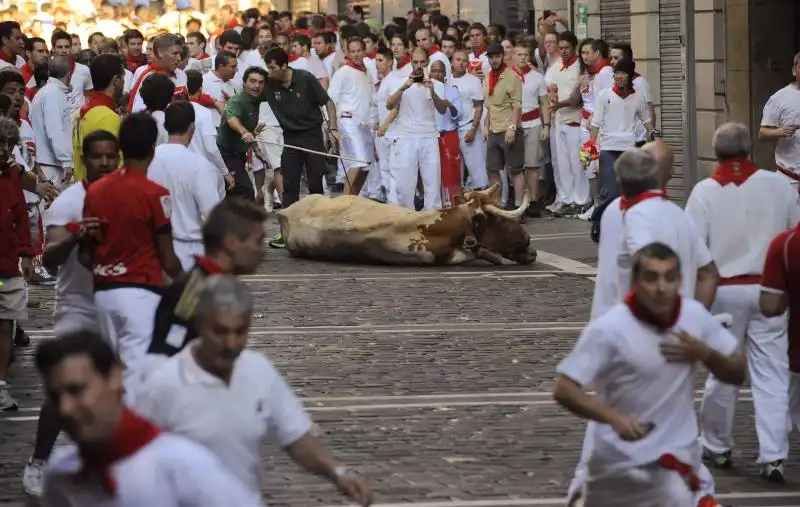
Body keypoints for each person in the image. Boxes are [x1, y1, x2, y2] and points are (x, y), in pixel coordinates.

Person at [135, 276, 373, 507]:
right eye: (220, 332)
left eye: (240, 332)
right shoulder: (163, 384)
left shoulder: (258, 369)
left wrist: (338, 472)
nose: (231, 344)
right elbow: (137, 462)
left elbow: (295, 435)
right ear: (199, 325)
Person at [555, 242, 745, 506]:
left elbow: (737, 373)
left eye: (669, 277)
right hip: (620, 465)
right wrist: (613, 418)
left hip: (675, 463)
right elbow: (564, 388)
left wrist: (705, 353)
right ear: (634, 281)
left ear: (680, 280)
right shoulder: (609, 329)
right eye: (651, 277)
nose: (661, 287)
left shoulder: (694, 317)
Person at [687, 122, 800, 481]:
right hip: (770, 290)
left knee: (723, 373)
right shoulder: (779, 185)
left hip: (722, 291)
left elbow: (694, 251)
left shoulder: (703, 192)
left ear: (717, 152)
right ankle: (773, 453)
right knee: (772, 373)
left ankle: (717, 444)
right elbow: (792, 236)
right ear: (749, 149)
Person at [36, 332, 265, 506]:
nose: (65, 409)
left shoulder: (184, 466)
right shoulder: (61, 474)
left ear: (115, 377)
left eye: (77, 390)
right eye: (55, 397)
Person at [23, 130, 120, 498]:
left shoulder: (127, 196)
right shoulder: (68, 202)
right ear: (86, 158)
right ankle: (39, 460)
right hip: (77, 307)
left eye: (112, 156)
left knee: (120, 390)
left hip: (119, 307)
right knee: (62, 387)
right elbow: (49, 258)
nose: (106, 163)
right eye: (98, 157)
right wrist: (77, 233)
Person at [80, 113, 182, 398]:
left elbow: (86, 253)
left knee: (111, 370)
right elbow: (168, 258)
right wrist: (191, 281)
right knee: (138, 377)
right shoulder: (156, 194)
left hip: (102, 292)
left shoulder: (96, 191)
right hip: (140, 292)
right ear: (152, 149)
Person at [262, 47, 337, 248]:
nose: (269, 72)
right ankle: (287, 232)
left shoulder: (306, 78)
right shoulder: (269, 84)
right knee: (289, 186)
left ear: (284, 66)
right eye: (267, 68)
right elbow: (249, 98)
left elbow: (328, 102)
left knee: (315, 184)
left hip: (312, 135)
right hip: (290, 138)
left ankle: (318, 229)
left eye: (272, 68)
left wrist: (333, 127)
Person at [148, 101, 223, 270]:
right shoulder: (200, 165)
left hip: (153, 250)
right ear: (192, 127)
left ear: (166, 126)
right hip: (189, 252)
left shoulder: (148, 160)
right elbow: (212, 213)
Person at [385, 46, 447, 210]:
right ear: (410, 62)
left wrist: (432, 92)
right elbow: (389, 104)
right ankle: (406, 219)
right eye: (415, 62)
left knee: (432, 184)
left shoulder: (436, 84)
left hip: (429, 137)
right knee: (404, 185)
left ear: (428, 62)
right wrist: (404, 87)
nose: (419, 65)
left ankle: (433, 221)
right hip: (406, 137)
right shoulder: (401, 81)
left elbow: (442, 109)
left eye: (422, 62)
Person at [0, 116, 33, 411]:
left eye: (8, 145)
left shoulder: (12, 175)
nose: (3, 150)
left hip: (7, 263)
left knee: (6, 325)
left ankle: (0, 385)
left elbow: (21, 215)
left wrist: (26, 253)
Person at [545, 31, 588, 215]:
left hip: (575, 120)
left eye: (566, 48)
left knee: (576, 163)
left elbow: (577, 99)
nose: (563, 51)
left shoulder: (580, 67)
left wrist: (558, 104)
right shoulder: (555, 66)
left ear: (574, 47)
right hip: (559, 121)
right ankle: (566, 198)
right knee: (562, 164)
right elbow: (550, 87)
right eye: (560, 48)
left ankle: (581, 199)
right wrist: (552, 98)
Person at [327, 37, 374, 196]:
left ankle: (354, 198)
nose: (356, 54)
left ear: (364, 50)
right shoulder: (343, 72)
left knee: (367, 164)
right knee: (358, 161)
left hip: (364, 124)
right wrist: (332, 127)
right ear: (347, 52)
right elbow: (330, 99)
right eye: (352, 51)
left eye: (359, 50)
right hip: (347, 121)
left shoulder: (367, 72)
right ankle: (345, 201)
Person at [216, 66, 267, 201]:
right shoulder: (237, 100)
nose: (257, 86)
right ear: (244, 82)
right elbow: (232, 119)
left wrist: (256, 150)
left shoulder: (257, 101)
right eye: (253, 81)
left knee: (233, 193)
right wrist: (243, 131)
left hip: (239, 155)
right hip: (226, 154)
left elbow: (250, 132)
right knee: (245, 191)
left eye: (261, 82)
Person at [483, 42, 524, 208]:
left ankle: (520, 206)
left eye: (496, 56)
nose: (494, 60)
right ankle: (498, 205)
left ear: (502, 56)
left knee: (515, 169)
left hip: (508, 129)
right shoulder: (488, 77)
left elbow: (517, 104)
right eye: (491, 57)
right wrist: (486, 127)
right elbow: (489, 106)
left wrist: (512, 128)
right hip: (493, 129)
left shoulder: (512, 76)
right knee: (492, 169)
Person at [72, 54, 124, 182]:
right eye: (123, 77)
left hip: (83, 188)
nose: (124, 82)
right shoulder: (108, 117)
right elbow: (114, 165)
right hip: (102, 192)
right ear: (116, 80)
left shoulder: (79, 113)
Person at [30, 56, 73, 190]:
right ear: (69, 74)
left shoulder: (49, 92)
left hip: (51, 163)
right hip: (52, 166)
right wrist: (66, 161)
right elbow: (54, 129)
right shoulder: (53, 94)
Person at [759, 52, 800, 183]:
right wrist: (779, 132)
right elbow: (762, 133)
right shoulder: (779, 98)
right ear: (794, 70)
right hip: (789, 177)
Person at [451, 48, 488, 191]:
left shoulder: (473, 81)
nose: (461, 63)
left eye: (464, 60)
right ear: (452, 62)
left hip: (468, 128)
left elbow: (478, 107)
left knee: (477, 170)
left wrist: (473, 129)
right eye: (458, 60)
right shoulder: (447, 79)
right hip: (451, 129)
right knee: (455, 173)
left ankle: (484, 205)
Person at [129, 33, 188, 113]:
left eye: (180, 54)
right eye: (175, 53)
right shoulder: (147, 78)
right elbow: (138, 113)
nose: (179, 58)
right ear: (160, 52)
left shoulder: (182, 75)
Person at [430, 59, 462, 205]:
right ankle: (437, 205)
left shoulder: (452, 90)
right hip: (430, 137)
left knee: (452, 173)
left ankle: (454, 204)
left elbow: (458, 114)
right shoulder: (424, 89)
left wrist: (449, 105)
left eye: (440, 71)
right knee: (433, 174)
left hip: (448, 134)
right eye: (434, 71)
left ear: (445, 74)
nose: (437, 74)